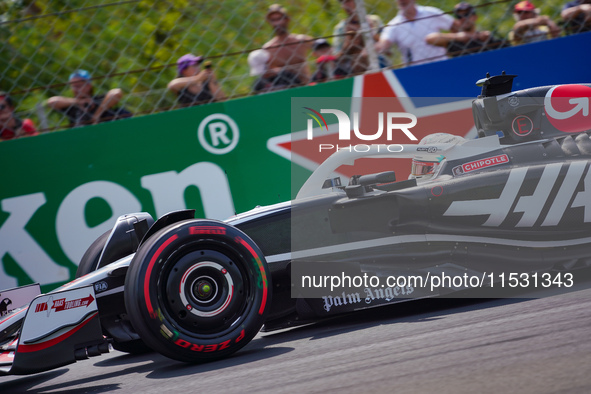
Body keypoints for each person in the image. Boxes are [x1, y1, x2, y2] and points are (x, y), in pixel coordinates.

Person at [375, 0, 455, 67]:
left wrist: (449, 43)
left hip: (441, 63)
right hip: (416, 70)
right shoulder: (394, 25)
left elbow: (455, 26)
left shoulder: (430, 13)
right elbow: (384, 44)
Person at [46, 70, 131, 127]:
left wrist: (97, 115)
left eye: (78, 86)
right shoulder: (71, 105)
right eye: (73, 86)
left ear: (88, 86)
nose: (75, 89)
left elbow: (116, 92)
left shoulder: (100, 100)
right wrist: (78, 102)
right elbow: (51, 102)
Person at [425, 2, 508, 57]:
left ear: (475, 17)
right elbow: (430, 38)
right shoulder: (455, 42)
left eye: (467, 14)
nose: (464, 18)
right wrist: (460, 36)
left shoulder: (485, 37)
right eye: (459, 16)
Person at [262, 4, 314, 85]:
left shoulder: (302, 40)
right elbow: (266, 74)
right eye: (273, 20)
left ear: (287, 19)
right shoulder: (268, 49)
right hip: (285, 89)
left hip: (307, 84)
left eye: (279, 19)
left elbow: (323, 49)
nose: (277, 23)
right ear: (269, 23)